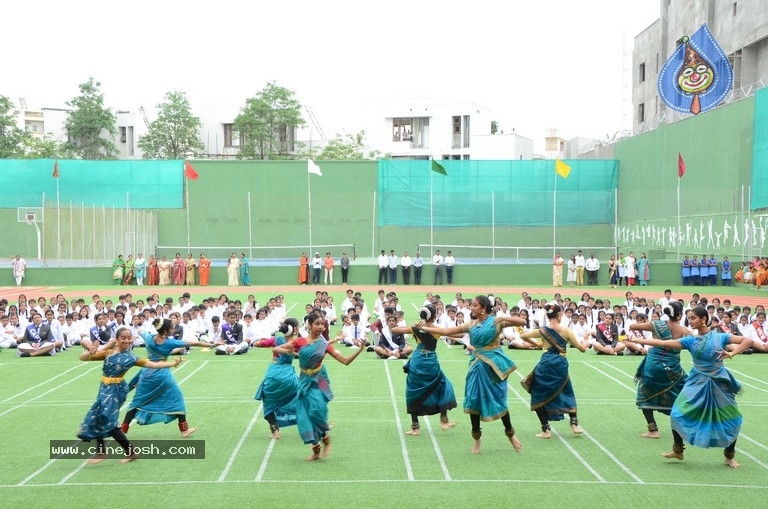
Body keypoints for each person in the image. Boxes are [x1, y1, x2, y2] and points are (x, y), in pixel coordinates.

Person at [626, 306, 752, 468]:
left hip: (719, 382)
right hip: (696, 382)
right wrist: (637, 341)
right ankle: (678, 450)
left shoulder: (720, 337)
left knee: (731, 419)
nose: (690, 321)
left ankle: (729, 456)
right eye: (689, 318)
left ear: (704, 319)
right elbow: (663, 342)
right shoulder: (690, 340)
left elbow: (747, 341)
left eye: (693, 318)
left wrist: (732, 353)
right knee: (676, 414)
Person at [417, 295, 525, 454]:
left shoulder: (497, 321)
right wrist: (426, 328)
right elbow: (446, 331)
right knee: (473, 399)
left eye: (474, 305)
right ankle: (477, 439)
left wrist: (503, 317)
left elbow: (522, 322)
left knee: (498, 399)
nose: (471, 307)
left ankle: (510, 434)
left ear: (483, 308)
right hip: (476, 366)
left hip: (493, 366)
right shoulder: (471, 325)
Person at [78, 327, 182, 464]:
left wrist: (172, 364)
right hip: (104, 388)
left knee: (108, 418)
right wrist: (91, 351)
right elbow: (82, 358)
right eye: (123, 338)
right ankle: (110, 451)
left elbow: (152, 364)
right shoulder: (108, 353)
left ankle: (121, 451)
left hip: (116, 390)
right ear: (117, 339)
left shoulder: (131, 358)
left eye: (129, 338)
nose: (127, 341)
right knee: (97, 415)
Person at [272, 311, 364, 461]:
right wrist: (289, 351)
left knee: (316, 411)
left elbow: (345, 361)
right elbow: (275, 349)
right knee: (303, 415)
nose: (321, 327)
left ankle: (326, 438)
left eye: (323, 324)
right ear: (309, 325)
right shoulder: (299, 342)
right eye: (317, 324)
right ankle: (316, 449)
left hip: (318, 380)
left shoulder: (324, 345)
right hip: (303, 381)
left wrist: (360, 349)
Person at [121, 318, 210, 438]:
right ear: (165, 331)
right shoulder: (170, 343)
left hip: (146, 373)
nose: (173, 330)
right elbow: (194, 343)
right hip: (162, 374)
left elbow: (140, 331)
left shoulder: (149, 338)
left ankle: (123, 430)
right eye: (171, 328)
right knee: (177, 398)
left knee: (136, 402)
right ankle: (184, 430)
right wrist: (212, 344)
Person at [518, 304, 588, 438]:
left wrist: (537, 344)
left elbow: (523, 336)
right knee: (567, 390)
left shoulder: (542, 330)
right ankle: (574, 424)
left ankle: (546, 430)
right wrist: (586, 339)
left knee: (537, 393)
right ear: (558, 315)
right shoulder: (566, 330)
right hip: (560, 365)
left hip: (545, 364)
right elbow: (582, 348)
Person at [624, 302, 689, 439]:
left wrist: (651, 325)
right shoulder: (684, 331)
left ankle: (653, 429)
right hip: (672, 367)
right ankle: (687, 424)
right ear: (680, 315)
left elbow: (632, 326)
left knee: (644, 392)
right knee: (686, 392)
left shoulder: (656, 324)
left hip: (653, 366)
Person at [390, 304, 457, 435]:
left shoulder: (416, 328)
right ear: (434, 316)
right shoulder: (437, 329)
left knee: (413, 390)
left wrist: (412, 327)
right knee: (442, 384)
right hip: (430, 361)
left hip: (417, 361)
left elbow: (395, 330)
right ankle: (444, 420)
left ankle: (415, 427)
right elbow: (457, 333)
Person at [254, 318, 301, 439]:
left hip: (273, 374)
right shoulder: (298, 342)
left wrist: (265, 340)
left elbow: (256, 344)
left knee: (268, 403)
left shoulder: (276, 340)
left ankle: (275, 431)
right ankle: (318, 424)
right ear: (295, 329)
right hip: (288, 376)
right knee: (303, 396)